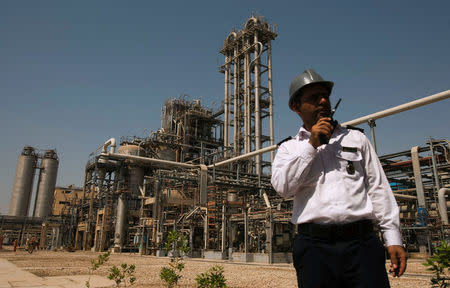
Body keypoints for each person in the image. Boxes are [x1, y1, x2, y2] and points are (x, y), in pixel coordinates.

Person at [271, 69, 407, 288]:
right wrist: (311, 146)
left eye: (325, 95)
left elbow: (378, 187)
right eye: (314, 98)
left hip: (361, 244)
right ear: (296, 107)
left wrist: (392, 237)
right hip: (314, 249)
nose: (323, 100)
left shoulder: (356, 138)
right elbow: (282, 188)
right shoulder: (288, 148)